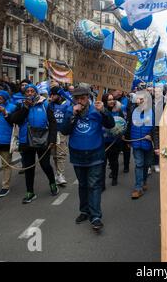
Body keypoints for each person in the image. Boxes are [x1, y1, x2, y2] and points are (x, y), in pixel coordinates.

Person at [61, 86, 115, 232]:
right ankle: (84, 211)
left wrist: (104, 111)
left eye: (83, 98)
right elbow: (64, 130)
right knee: (83, 184)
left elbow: (111, 124)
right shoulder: (69, 110)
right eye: (77, 98)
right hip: (77, 155)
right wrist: (72, 115)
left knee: (94, 185)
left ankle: (96, 216)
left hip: (95, 155)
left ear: (88, 98)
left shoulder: (96, 110)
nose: (80, 101)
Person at [6, 84, 59, 203]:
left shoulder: (45, 104)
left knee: (45, 165)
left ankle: (52, 183)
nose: (29, 93)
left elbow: (53, 123)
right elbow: (14, 120)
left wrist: (52, 140)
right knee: (29, 168)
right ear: (25, 94)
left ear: (36, 92)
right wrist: (25, 108)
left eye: (32, 91)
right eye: (27, 91)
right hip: (26, 141)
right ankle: (30, 192)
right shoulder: (20, 105)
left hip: (43, 139)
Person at [125, 90, 158, 199]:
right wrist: (127, 139)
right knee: (139, 164)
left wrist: (153, 140)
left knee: (147, 163)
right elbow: (129, 125)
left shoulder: (153, 111)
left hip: (148, 142)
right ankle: (138, 188)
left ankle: (144, 181)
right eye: (138, 98)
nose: (139, 100)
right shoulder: (132, 109)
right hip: (136, 141)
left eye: (142, 98)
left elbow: (156, 129)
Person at [102, 93, 125, 187]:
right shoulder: (100, 111)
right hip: (102, 141)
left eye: (112, 99)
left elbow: (123, 123)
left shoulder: (118, 111)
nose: (111, 101)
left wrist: (121, 133)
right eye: (109, 100)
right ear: (105, 101)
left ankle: (115, 178)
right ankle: (102, 184)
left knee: (114, 161)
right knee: (102, 163)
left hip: (115, 141)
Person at [49, 86, 70, 186]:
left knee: (61, 154)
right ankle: (58, 174)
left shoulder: (67, 104)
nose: (51, 96)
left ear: (60, 95)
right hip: (52, 132)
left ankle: (61, 174)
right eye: (51, 95)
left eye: (54, 95)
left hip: (62, 132)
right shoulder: (50, 105)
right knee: (54, 155)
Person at [112, 89, 131, 174]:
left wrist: (126, 131)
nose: (113, 92)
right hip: (114, 129)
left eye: (115, 91)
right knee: (114, 150)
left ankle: (126, 165)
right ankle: (113, 170)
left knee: (126, 148)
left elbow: (129, 115)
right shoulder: (111, 100)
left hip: (125, 128)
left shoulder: (127, 101)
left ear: (120, 91)